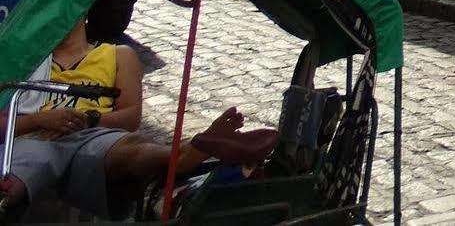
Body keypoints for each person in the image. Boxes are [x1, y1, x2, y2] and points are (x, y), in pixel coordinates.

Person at [0, 17, 276, 221]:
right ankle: (186, 151)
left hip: (93, 133)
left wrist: (89, 119)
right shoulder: (24, 60)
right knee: (17, 175)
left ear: (84, 13)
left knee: (130, 149)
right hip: (35, 136)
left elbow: (131, 116)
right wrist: (41, 120)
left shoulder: (117, 54)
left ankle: (187, 153)